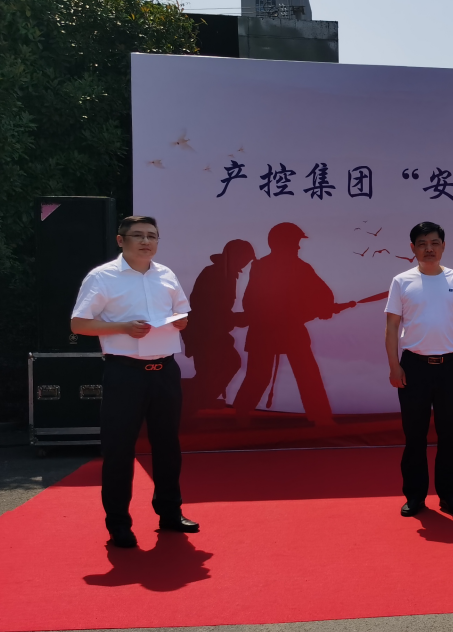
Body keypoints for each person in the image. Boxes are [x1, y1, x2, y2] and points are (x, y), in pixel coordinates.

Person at [70, 216, 197, 548]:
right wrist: (123, 327)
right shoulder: (102, 277)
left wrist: (179, 322)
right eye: (138, 235)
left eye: (152, 236)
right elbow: (79, 324)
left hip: (165, 370)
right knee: (119, 449)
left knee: (167, 446)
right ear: (120, 240)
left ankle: (170, 512)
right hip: (125, 372)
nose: (146, 242)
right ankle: (118, 523)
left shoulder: (165, 274)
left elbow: (182, 313)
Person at [385, 222, 453, 517]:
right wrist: (394, 366)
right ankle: (415, 496)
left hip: (450, 366)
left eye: (435, 243)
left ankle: (449, 495)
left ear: (443, 246)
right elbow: (392, 326)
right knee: (415, 435)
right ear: (412, 248)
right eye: (422, 244)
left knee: (450, 434)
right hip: (414, 367)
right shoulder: (402, 281)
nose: (429, 249)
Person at [233, 223, 354, 424]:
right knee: (298, 374)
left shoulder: (267, 267)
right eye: (295, 242)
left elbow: (324, 296)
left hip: (270, 332)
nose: (298, 247)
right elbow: (323, 296)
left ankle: (240, 415)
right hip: (276, 331)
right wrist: (320, 309)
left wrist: (321, 308)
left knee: (284, 375)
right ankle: (321, 419)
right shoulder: (297, 268)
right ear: (284, 243)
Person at [181, 239, 256, 410]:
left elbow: (217, 310)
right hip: (205, 334)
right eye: (245, 258)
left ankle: (196, 402)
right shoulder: (216, 274)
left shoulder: (224, 274)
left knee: (216, 368)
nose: (246, 263)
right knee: (222, 366)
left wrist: (235, 319)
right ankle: (188, 402)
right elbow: (209, 309)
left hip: (208, 332)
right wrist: (237, 319)